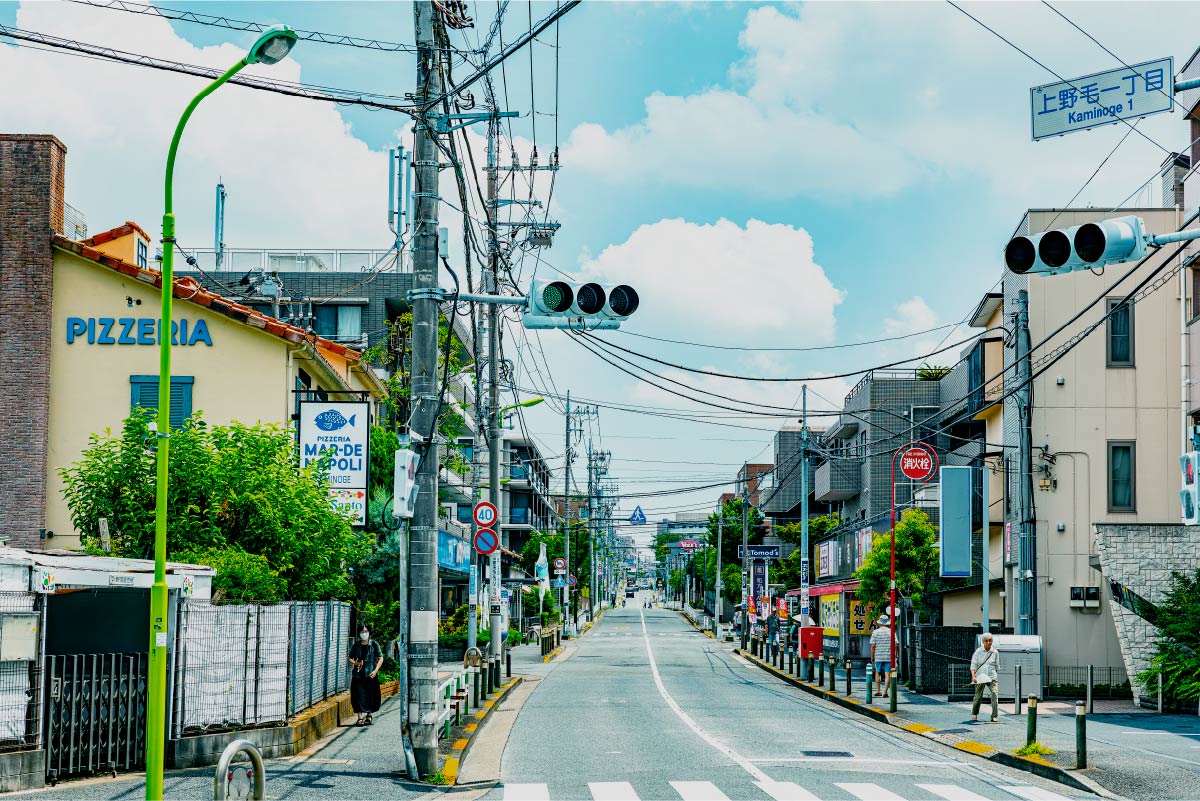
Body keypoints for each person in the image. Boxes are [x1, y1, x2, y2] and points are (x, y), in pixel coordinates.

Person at [349, 625, 383, 726]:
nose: (364, 633)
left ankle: (369, 715)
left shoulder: (374, 644)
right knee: (358, 696)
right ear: (359, 633)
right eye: (362, 631)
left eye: (366, 631)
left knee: (370, 696)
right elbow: (350, 658)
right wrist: (356, 663)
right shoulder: (356, 645)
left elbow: (380, 658)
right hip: (358, 675)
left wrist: (375, 671)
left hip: (370, 674)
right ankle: (359, 718)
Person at [970, 633, 1001, 722]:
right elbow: (973, 665)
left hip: (992, 677)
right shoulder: (978, 651)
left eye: (990, 640)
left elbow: (997, 666)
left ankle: (994, 716)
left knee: (995, 694)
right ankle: (974, 713)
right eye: (986, 641)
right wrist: (973, 677)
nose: (988, 642)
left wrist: (995, 675)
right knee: (978, 696)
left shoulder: (995, 652)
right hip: (980, 676)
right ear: (983, 642)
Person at [869, 615, 892, 698]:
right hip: (889, 656)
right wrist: (895, 655)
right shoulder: (891, 631)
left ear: (880, 623)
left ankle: (878, 690)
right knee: (887, 674)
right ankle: (885, 692)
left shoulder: (875, 632)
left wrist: (872, 657)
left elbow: (872, 646)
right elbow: (896, 644)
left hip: (878, 655)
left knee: (877, 672)